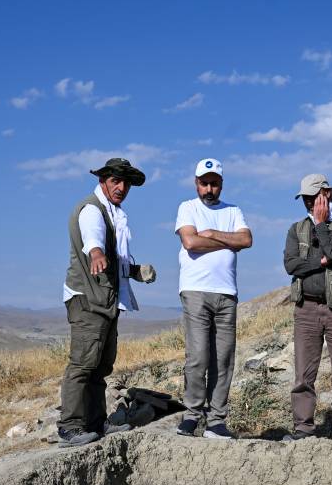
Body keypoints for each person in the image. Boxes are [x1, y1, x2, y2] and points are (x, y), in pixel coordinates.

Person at [58, 157, 156, 447]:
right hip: (88, 300)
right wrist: (97, 254)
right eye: (116, 180)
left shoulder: (114, 213)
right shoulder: (92, 210)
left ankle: (95, 422)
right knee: (83, 365)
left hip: (106, 301)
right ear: (103, 180)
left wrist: (135, 272)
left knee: (100, 366)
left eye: (126, 182)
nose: (122, 187)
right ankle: (70, 426)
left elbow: (115, 259)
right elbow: (93, 239)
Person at [174, 158, 252, 439]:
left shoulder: (233, 210)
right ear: (196, 183)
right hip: (196, 290)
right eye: (204, 183)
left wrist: (211, 234)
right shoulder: (187, 208)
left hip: (226, 293)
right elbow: (190, 242)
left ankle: (217, 419)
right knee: (198, 356)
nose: (209, 188)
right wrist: (227, 240)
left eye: (214, 183)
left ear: (221, 184)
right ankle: (193, 414)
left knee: (224, 358)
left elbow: (246, 240)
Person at [281, 173, 332, 448]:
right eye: (304, 198)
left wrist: (322, 224)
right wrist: (321, 261)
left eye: (312, 197)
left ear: (325, 194)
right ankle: (303, 428)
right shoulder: (296, 229)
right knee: (303, 375)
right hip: (306, 308)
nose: (307, 203)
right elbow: (292, 266)